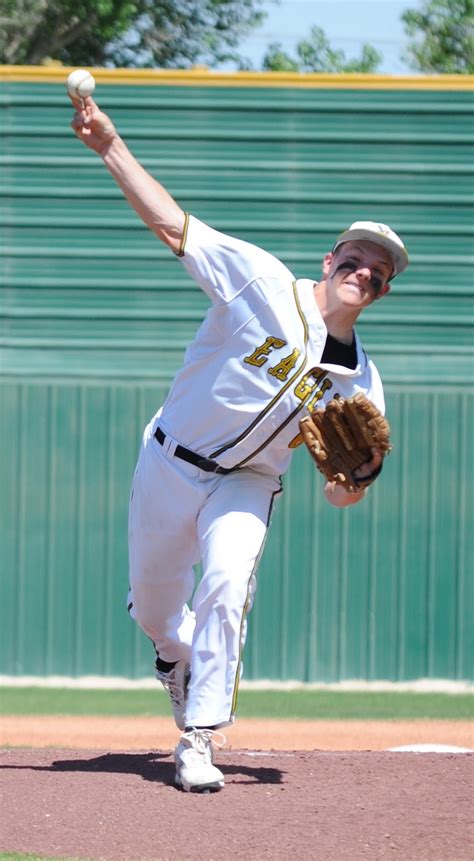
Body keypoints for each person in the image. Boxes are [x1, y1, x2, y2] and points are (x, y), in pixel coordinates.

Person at [70, 93, 409, 793]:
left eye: (379, 272)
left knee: (228, 584)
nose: (364, 272)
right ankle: (174, 660)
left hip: (248, 479)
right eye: (356, 257)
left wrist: (357, 479)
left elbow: (342, 492)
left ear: (381, 291)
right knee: (160, 611)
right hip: (169, 458)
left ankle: (199, 737)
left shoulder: (363, 383)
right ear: (330, 257)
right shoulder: (260, 281)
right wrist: (110, 145)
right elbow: (173, 226)